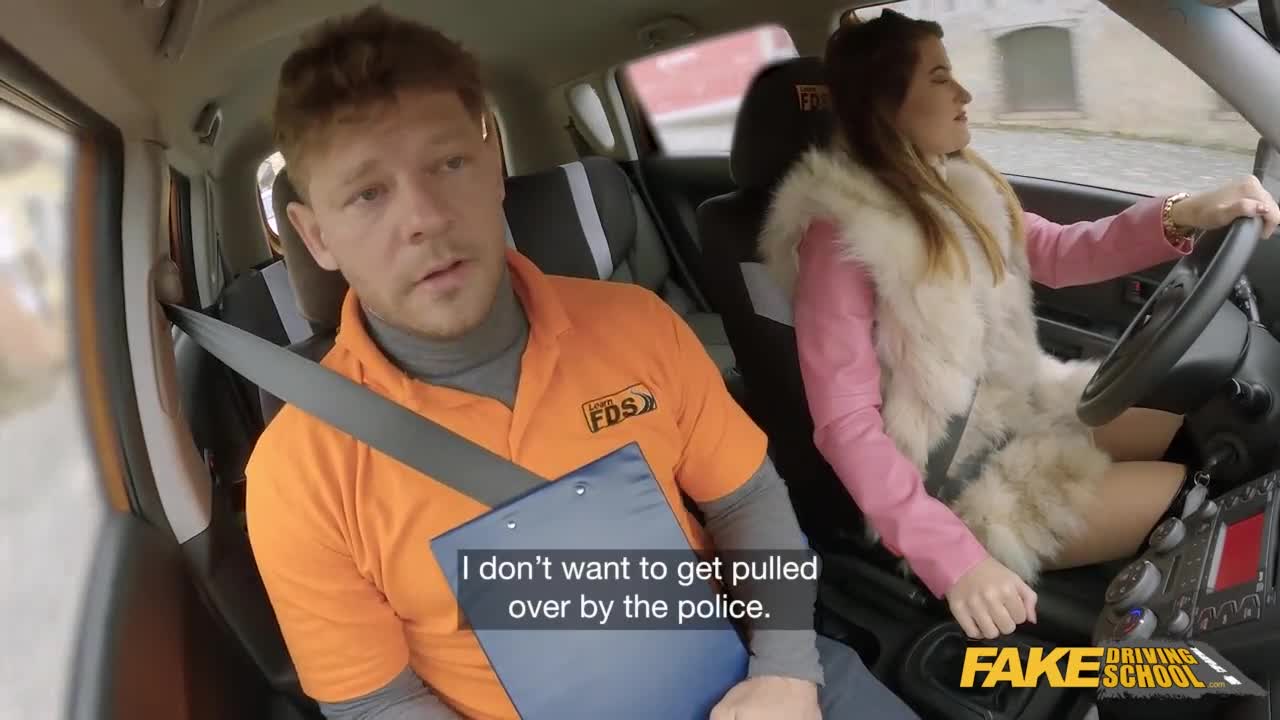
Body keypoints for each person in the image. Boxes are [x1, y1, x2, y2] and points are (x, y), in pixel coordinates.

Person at [246, 6, 921, 720]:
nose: (424, 218)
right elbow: (377, 703)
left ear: (494, 168)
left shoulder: (636, 325)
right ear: (316, 237)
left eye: (448, 164)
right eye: (367, 194)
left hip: (756, 682)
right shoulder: (299, 471)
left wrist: (785, 667)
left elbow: (746, 500)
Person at [758, 9, 1280, 642]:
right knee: (1186, 491)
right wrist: (953, 559)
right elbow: (846, 424)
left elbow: (1060, 251)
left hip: (1021, 407)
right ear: (885, 104)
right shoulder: (840, 235)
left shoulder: (955, 184)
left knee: (1196, 417)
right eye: (940, 78)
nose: (965, 94)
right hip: (955, 483)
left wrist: (1187, 211)